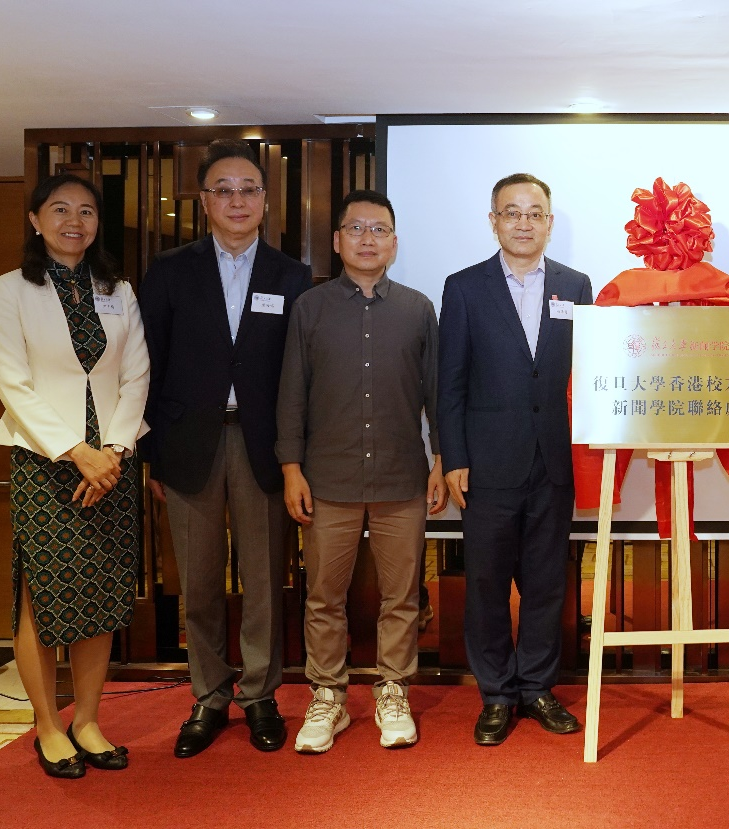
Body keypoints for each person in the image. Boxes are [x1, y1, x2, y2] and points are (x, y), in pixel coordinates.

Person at [140, 139, 312, 757]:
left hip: (264, 445)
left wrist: (298, 456)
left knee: (264, 578)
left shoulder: (291, 275)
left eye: (248, 190)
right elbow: (147, 363)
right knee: (200, 580)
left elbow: (301, 374)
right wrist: (152, 453)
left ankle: (260, 694)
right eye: (224, 190)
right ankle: (209, 695)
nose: (237, 200)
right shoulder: (170, 270)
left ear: (265, 201)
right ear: (204, 201)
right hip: (189, 445)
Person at [0, 174, 150, 778]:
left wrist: (113, 451)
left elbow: (136, 374)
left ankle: (87, 720)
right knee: (44, 592)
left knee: (100, 590)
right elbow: (12, 382)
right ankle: (48, 727)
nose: (73, 221)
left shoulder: (118, 290)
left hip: (113, 461)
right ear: (35, 220)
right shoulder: (8, 290)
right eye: (59, 209)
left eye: (85, 211)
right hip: (44, 459)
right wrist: (76, 451)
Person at [276, 190, 448, 753]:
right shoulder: (311, 308)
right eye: (356, 228)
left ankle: (393, 690)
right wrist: (291, 468)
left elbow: (436, 394)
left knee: (401, 596)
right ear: (337, 240)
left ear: (394, 242)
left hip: (402, 476)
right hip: (329, 478)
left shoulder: (418, 309)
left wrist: (441, 459)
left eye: (379, 230)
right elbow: (291, 394)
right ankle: (328, 697)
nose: (367, 239)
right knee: (325, 597)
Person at [437, 173, 593, 746]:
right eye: (512, 212)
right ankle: (497, 694)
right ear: (494, 221)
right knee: (486, 585)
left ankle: (537, 688)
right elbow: (449, 382)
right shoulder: (464, 287)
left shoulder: (576, 285)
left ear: (549, 222)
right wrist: (453, 456)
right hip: (486, 465)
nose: (523, 222)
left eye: (534, 213)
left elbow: (589, 374)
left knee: (547, 584)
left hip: (554, 461)